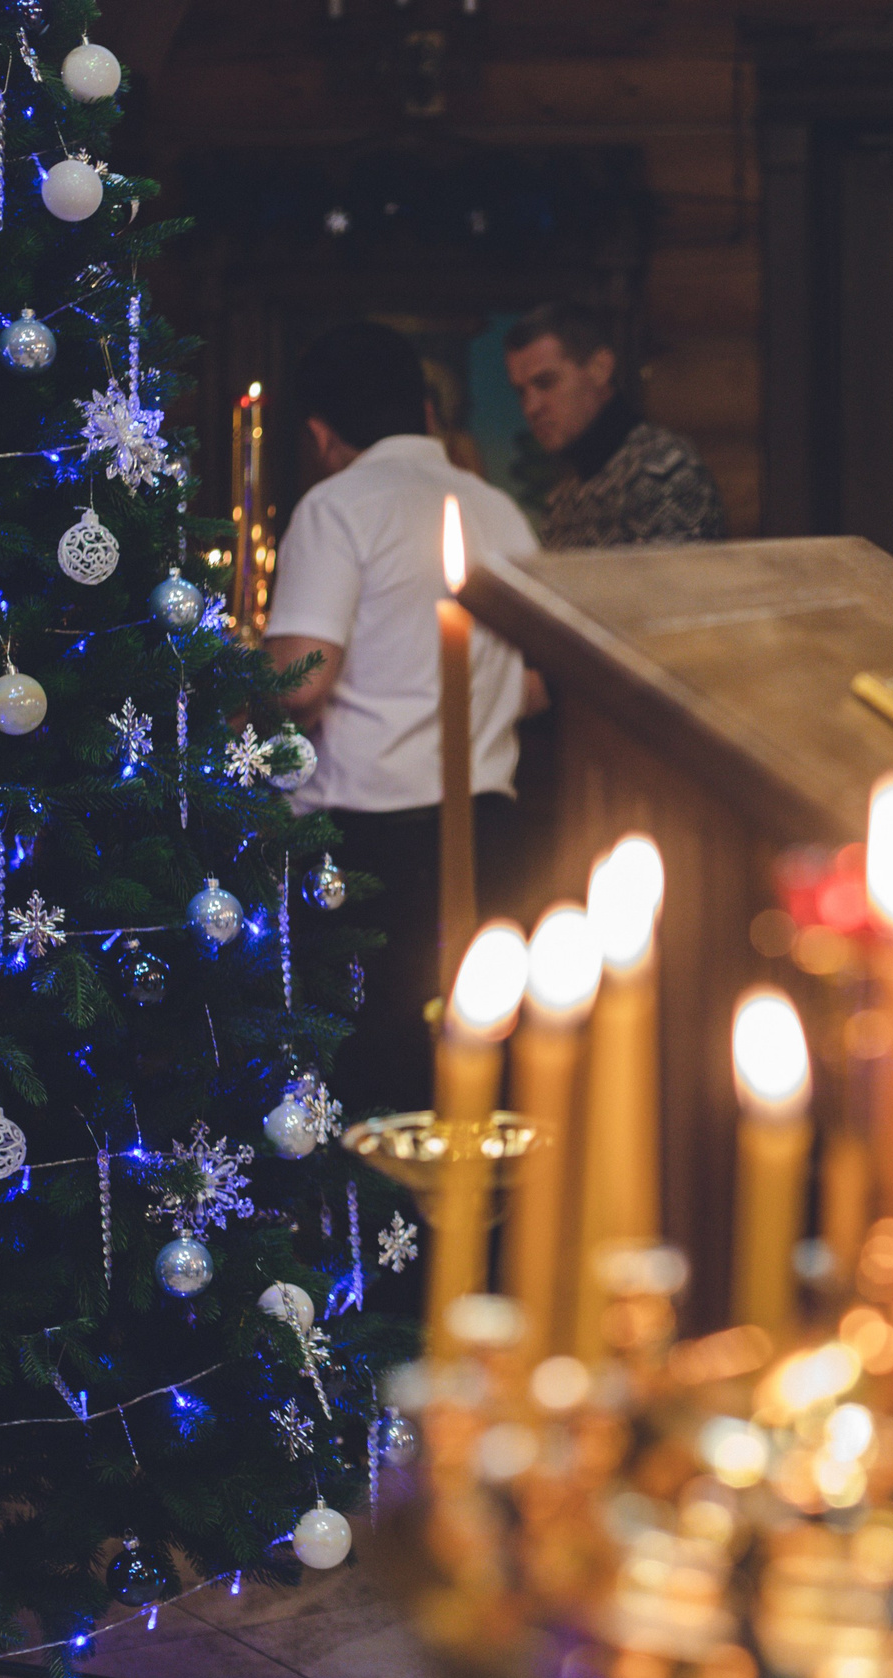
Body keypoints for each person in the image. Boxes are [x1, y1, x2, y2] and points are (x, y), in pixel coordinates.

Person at [265, 321, 550, 1116]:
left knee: (372, 1089)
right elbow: (535, 685)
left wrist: (239, 668)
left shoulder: (337, 507)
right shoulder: (498, 510)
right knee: (474, 1079)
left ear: (322, 434)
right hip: (489, 832)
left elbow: (300, 681)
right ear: (424, 410)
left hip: (367, 849)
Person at [502, 301, 727, 548]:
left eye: (546, 382)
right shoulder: (562, 498)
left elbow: (676, 574)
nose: (531, 407)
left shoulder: (663, 469)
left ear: (599, 368)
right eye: (521, 392)